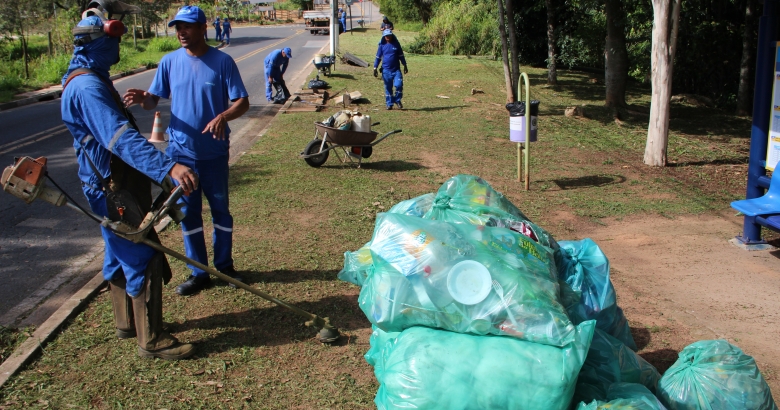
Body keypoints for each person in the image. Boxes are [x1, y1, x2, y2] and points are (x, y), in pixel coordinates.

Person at [61, 3, 199, 360]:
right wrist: (168, 169)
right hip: (112, 189)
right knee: (143, 255)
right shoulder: (88, 87)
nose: (118, 49)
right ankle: (152, 340)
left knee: (117, 251)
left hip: (109, 183)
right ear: (95, 44)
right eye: (113, 41)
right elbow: (120, 139)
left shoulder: (89, 77)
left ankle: (126, 322)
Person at [123, 5, 249, 296]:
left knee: (220, 211)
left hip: (214, 153)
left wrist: (223, 117)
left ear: (203, 27)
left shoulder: (223, 62)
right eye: (177, 27)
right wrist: (144, 98)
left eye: (187, 26)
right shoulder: (168, 62)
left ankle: (225, 266)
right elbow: (153, 101)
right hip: (180, 155)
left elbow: (241, 101)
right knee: (187, 214)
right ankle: (198, 272)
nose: (181, 32)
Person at [373, 29, 408, 110]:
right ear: (384, 37)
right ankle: (389, 104)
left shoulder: (396, 44)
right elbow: (378, 57)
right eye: (386, 36)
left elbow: (401, 56)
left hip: (396, 70)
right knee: (388, 88)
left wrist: (405, 65)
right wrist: (375, 68)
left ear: (392, 35)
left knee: (399, 85)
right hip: (386, 71)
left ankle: (397, 100)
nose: (388, 37)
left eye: (389, 35)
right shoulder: (382, 45)